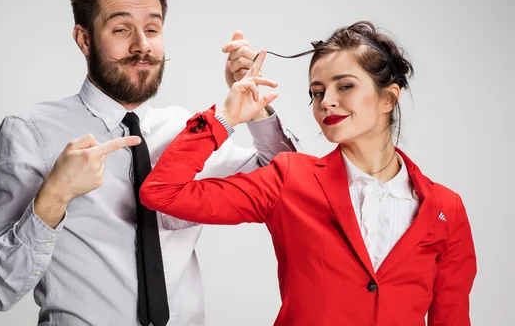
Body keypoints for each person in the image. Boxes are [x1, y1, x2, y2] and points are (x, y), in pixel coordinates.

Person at [0, 0, 298, 326]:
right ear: (84, 39)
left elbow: (286, 187)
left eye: (152, 29)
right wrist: (54, 196)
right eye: (121, 29)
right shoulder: (29, 133)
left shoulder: (190, 132)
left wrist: (255, 106)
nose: (142, 46)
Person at [140, 21, 477, 326]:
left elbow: (452, 319)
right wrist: (226, 117)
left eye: (344, 86)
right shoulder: (289, 179)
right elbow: (163, 193)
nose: (326, 101)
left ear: (388, 99)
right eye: (317, 92)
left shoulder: (446, 208)